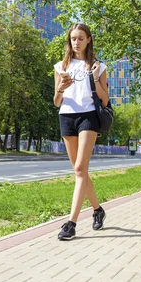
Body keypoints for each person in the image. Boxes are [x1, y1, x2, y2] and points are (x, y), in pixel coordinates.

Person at [53, 23, 109, 241]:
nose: (76, 42)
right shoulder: (60, 66)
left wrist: (94, 77)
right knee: (81, 172)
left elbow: (104, 99)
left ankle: (71, 224)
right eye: (73, 39)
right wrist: (60, 89)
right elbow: (57, 102)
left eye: (80, 38)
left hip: (88, 116)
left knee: (79, 168)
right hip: (66, 117)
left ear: (88, 40)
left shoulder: (98, 66)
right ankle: (97, 209)